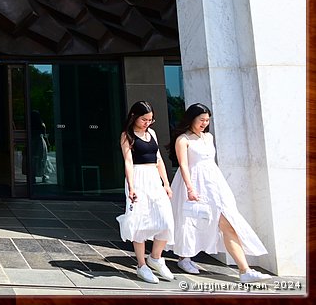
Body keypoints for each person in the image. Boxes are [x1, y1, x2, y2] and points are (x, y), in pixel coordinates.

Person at [169, 103, 271, 282]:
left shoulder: (209, 137)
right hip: (193, 182)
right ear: (192, 118)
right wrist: (190, 188)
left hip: (214, 183)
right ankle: (184, 257)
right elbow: (184, 165)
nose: (204, 124)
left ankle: (244, 270)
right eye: (201, 120)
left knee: (228, 223)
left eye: (207, 120)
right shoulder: (183, 140)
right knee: (189, 220)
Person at [116, 100, 175, 284]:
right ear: (134, 117)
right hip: (138, 177)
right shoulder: (127, 135)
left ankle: (155, 258)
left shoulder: (152, 133)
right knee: (139, 222)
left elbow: (158, 160)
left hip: (154, 178)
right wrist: (132, 187)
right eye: (144, 119)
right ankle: (141, 265)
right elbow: (127, 161)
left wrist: (166, 183)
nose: (147, 123)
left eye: (150, 120)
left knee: (166, 221)